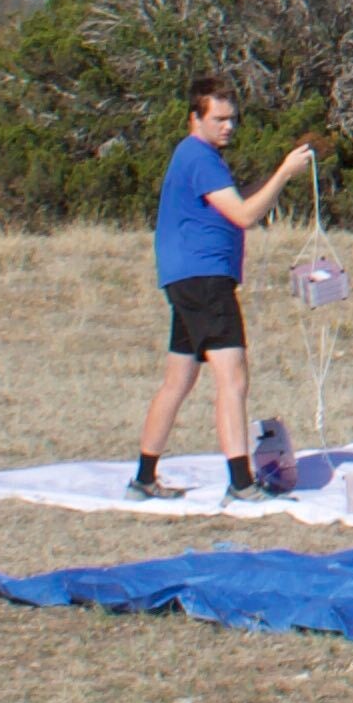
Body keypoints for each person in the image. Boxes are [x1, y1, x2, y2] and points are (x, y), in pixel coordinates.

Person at [134, 81, 315, 500]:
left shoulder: (200, 158)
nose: (228, 126)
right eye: (218, 119)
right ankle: (240, 483)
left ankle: (143, 478)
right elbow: (245, 214)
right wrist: (285, 174)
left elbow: (233, 202)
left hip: (188, 277)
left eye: (232, 118)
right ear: (195, 119)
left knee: (177, 380)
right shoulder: (199, 157)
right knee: (233, 378)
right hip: (204, 280)